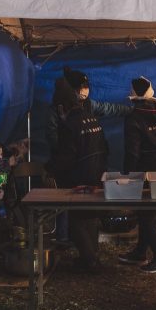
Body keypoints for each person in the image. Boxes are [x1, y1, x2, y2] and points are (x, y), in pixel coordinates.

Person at [46, 66, 132, 244]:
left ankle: (85, 247)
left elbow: (110, 108)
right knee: (67, 204)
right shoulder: (56, 109)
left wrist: (133, 111)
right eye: (80, 88)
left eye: (86, 87)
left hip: (87, 163)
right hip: (69, 165)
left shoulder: (89, 105)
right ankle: (64, 239)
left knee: (87, 208)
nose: (84, 91)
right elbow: (54, 138)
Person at [44, 77, 109, 274]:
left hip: (79, 175)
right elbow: (105, 147)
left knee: (76, 219)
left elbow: (67, 156)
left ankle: (90, 261)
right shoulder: (92, 118)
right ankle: (91, 255)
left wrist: (50, 169)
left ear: (63, 106)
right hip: (97, 171)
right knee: (90, 214)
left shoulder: (69, 124)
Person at [117, 77, 156, 273]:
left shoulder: (134, 117)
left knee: (146, 216)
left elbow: (132, 151)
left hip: (147, 171)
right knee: (146, 213)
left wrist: (127, 176)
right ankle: (140, 252)